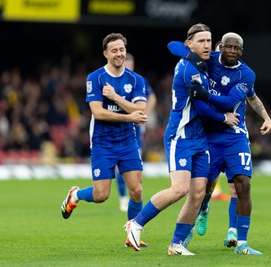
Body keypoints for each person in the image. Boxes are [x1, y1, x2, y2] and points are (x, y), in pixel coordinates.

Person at [124, 23, 239, 256]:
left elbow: (173, 45)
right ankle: (135, 224)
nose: (206, 45)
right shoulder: (190, 70)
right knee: (179, 189)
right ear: (190, 44)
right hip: (182, 135)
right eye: (201, 41)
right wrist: (224, 118)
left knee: (198, 193)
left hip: (200, 138)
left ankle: (176, 244)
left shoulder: (201, 60)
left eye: (209, 41)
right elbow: (203, 107)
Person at [168, 32, 271, 255]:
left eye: (237, 48)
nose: (233, 51)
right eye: (229, 47)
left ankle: (241, 242)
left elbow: (229, 102)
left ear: (242, 51)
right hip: (209, 135)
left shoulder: (246, 74)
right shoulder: (208, 59)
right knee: (203, 188)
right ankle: (199, 214)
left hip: (235, 134)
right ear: (221, 47)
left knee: (242, 183)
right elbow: (174, 46)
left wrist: (203, 94)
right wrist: (189, 51)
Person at [60, 33, 148, 245]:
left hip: (128, 140)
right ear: (105, 54)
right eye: (114, 50)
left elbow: (141, 110)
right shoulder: (95, 78)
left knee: (136, 189)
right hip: (103, 142)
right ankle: (76, 195)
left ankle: (132, 234)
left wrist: (116, 98)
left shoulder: (136, 80)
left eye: (121, 50)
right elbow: (98, 113)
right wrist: (129, 115)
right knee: (101, 195)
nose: (119, 54)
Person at [116, 53, 157, 213]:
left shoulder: (139, 80)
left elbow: (152, 97)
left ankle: (134, 196)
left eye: (129, 62)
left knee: (135, 166)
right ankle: (122, 197)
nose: (127, 64)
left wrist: (144, 113)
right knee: (120, 166)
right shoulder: (115, 80)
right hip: (119, 126)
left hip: (136, 128)